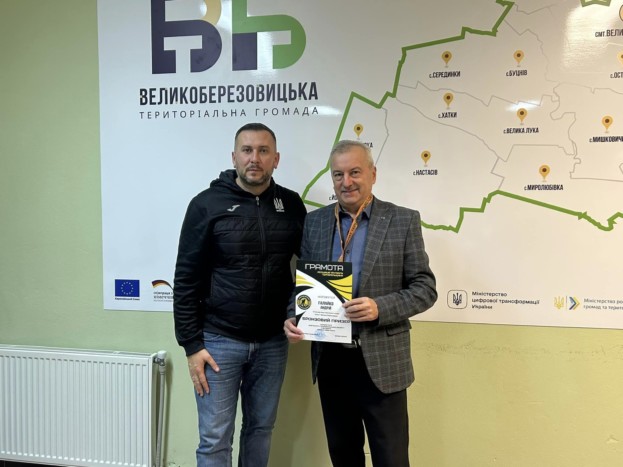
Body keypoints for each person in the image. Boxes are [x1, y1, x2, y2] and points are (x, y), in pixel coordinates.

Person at [284, 140, 437, 467]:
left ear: (373, 174)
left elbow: (425, 289)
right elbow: (303, 285)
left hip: (382, 361)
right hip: (331, 360)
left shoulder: (402, 220)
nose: (346, 182)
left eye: (355, 172)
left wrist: (380, 308)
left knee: (391, 458)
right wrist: (293, 317)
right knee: (343, 455)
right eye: (338, 174)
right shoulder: (316, 222)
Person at [174, 122, 307, 467]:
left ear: (276, 158)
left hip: (272, 344)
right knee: (215, 439)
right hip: (218, 342)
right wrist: (192, 346)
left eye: (263, 151)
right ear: (234, 157)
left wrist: (298, 313)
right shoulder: (206, 204)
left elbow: (308, 270)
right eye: (247, 150)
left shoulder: (291, 205)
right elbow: (185, 279)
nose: (254, 158)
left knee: (260, 429)